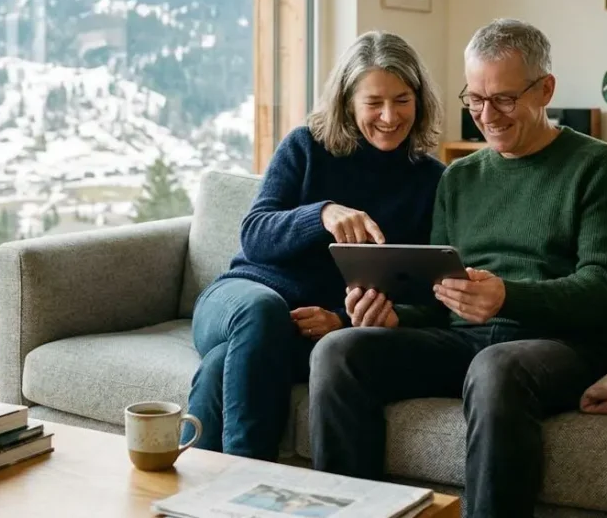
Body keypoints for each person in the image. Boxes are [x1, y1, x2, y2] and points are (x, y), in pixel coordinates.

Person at [309, 18, 607, 517]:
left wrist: (509, 296)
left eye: (504, 99)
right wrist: (396, 316)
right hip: (465, 341)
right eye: (476, 100)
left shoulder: (597, 166)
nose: (488, 116)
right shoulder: (460, 176)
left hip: (561, 345)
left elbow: (606, 288)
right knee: (340, 350)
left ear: (545, 88)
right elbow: (436, 300)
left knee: (496, 365)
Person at [186, 30, 447, 461]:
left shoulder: (430, 181)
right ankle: (248, 479)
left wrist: (343, 319)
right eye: (373, 102)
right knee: (260, 311)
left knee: (220, 368)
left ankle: (193, 492)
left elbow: (421, 284)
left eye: (402, 100)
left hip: (302, 332)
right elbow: (254, 233)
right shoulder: (306, 146)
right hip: (237, 300)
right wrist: (321, 213)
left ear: (419, 100)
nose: (389, 116)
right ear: (347, 102)